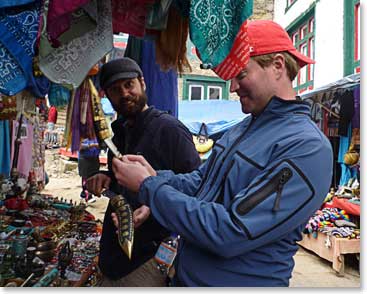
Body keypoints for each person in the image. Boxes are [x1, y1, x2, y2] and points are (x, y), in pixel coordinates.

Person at [109, 20, 334, 287]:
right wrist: (155, 176)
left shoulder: (306, 148)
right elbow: (201, 181)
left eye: (241, 75)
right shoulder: (244, 128)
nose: (233, 88)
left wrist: (149, 188)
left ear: (277, 66)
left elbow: (231, 232)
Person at [85, 57, 201, 286]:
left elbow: (198, 188)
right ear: (107, 96)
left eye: (129, 85)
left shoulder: (169, 129)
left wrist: (154, 202)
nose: (125, 93)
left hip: (149, 258)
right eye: (116, 90)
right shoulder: (119, 133)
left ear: (143, 83)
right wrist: (107, 178)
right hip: (114, 251)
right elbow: (124, 185)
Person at [78, 138, 100, 204]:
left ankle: (84, 194)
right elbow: (79, 146)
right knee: (85, 177)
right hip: (84, 158)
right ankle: (88, 195)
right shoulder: (80, 134)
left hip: (95, 158)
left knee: (93, 176)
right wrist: (91, 145)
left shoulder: (96, 134)